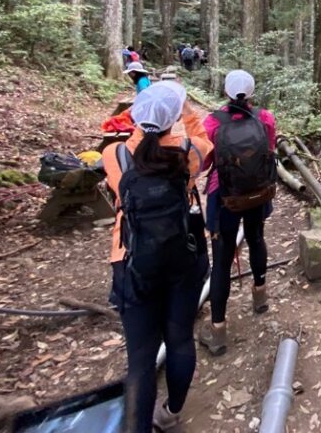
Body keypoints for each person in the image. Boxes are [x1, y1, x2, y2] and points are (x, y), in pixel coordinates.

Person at [101, 84, 211, 432]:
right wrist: (187, 113)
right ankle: (171, 412)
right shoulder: (187, 152)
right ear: (173, 118)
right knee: (180, 338)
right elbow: (207, 143)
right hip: (183, 254)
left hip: (131, 259)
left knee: (140, 360)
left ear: (136, 117)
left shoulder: (115, 155)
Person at [198, 70, 276, 357]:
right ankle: (260, 296)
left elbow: (205, 162)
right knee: (256, 238)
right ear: (252, 92)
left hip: (224, 196)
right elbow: (269, 149)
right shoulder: (264, 118)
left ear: (226, 92)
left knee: (221, 257)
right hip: (257, 191)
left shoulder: (212, 122)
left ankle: (218, 330)